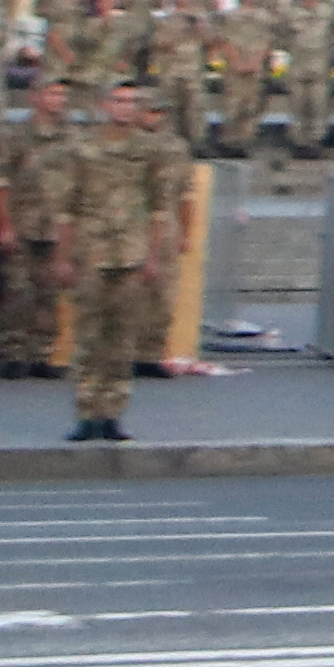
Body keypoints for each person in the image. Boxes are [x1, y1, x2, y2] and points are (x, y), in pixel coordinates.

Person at [48, 81, 194, 448]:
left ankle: (112, 412)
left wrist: (154, 256)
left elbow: (160, 209)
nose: (125, 108)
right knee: (88, 336)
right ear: (104, 104)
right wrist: (62, 257)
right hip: (91, 251)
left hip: (132, 252)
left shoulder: (149, 150)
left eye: (132, 101)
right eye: (118, 100)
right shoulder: (83, 148)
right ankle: (86, 412)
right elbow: (67, 208)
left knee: (123, 337)